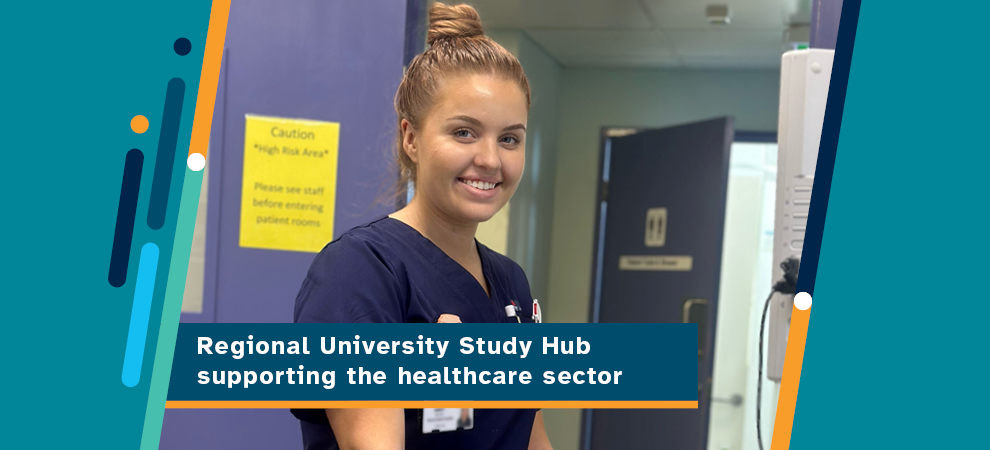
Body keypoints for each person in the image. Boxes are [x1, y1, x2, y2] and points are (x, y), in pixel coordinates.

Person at [290, 3, 553, 450]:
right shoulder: (360, 274)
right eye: (464, 133)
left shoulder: (511, 285)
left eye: (509, 138)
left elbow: (530, 436)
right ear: (411, 137)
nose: (490, 159)